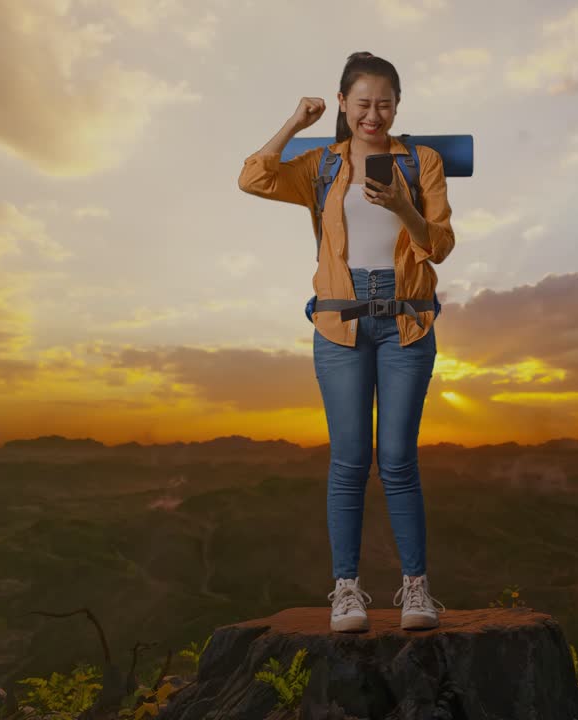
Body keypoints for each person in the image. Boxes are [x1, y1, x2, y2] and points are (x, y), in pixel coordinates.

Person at [237, 51, 456, 633]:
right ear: (343, 104)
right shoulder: (321, 166)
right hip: (339, 323)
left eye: (385, 104)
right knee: (349, 461)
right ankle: (346, 591)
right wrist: (293, 123)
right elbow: (253, 177)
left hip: (407, 321)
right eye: (362, 104)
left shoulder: (421, 161)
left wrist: (404, 206)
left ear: (398, 105)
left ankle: (415, 590)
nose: (374, 115)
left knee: (398, 461)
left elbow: (440, 245)